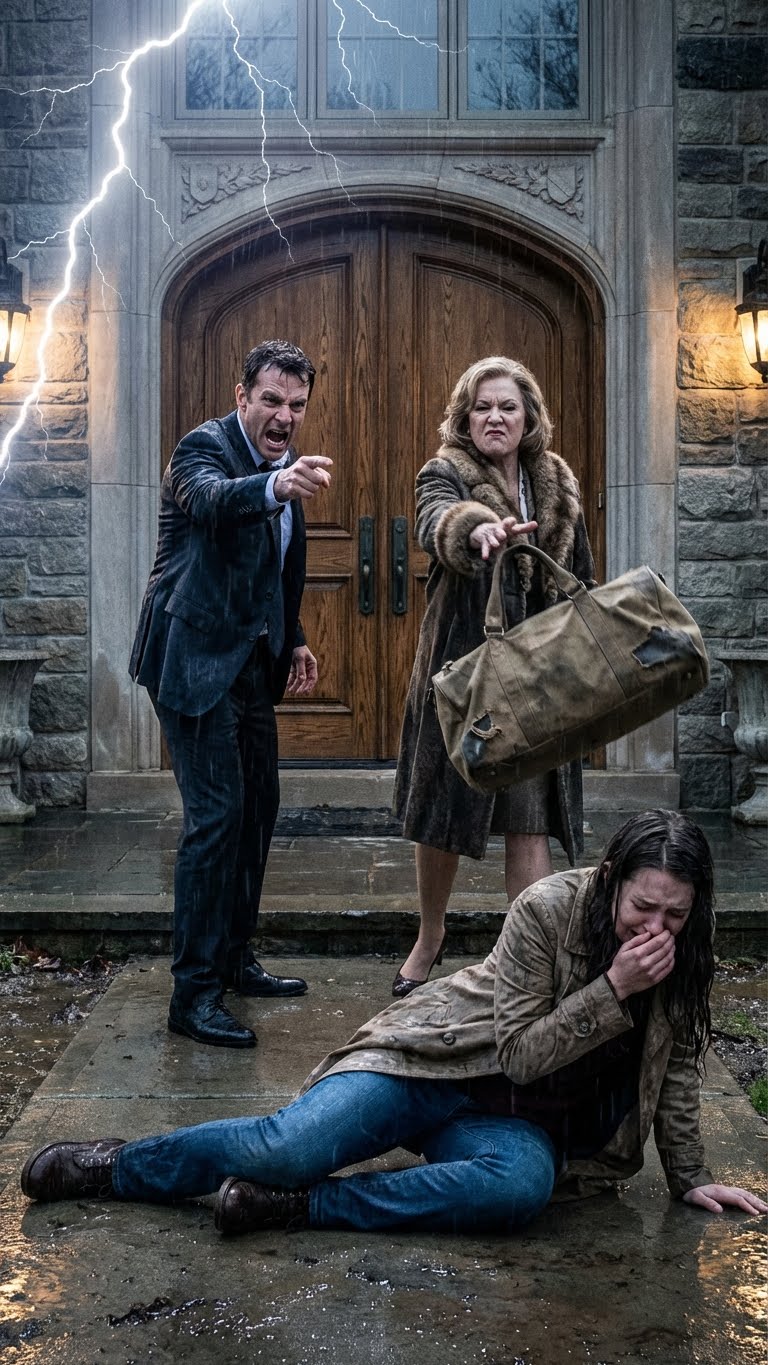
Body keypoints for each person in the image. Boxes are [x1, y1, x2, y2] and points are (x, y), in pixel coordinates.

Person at [21, 812, 767, 1235]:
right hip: (433, 1064)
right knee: (289, 1146)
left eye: (675, 913)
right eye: (643, 907)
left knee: (518, 1191)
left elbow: (676, 1066)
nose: (656, 928)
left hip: (516, 1126)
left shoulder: (686, 947)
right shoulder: (548, 910)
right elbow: (518, 1052)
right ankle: (116, 1166)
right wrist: (612, 989)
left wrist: (691, 1177)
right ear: (610, 882)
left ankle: (299, 1207)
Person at [128, 340, 332, 1049]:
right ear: (242, 395)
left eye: (297, 404)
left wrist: (294, 636)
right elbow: (214, 505)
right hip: (190, 658)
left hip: (250, 661)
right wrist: (275, 487)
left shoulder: (286, 463)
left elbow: (274, 565)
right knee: (215, 819)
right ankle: (193, 994)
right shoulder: (200, 450)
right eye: (271, 400)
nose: (284, 416)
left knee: (257, 811)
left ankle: (235, 959)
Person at [392, 355, 597, 996]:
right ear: (465, 417)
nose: (495, 417)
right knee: (442, 812)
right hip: (464, 672)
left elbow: (580, 576)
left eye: (508, 406)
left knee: (529, 816)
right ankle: (430, 938)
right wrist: (479, 530)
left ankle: (532, 960)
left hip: (537, 678)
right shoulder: (445, 471)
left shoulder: (557, 481)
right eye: (482, 407)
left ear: (529, 416)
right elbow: (436, 519)